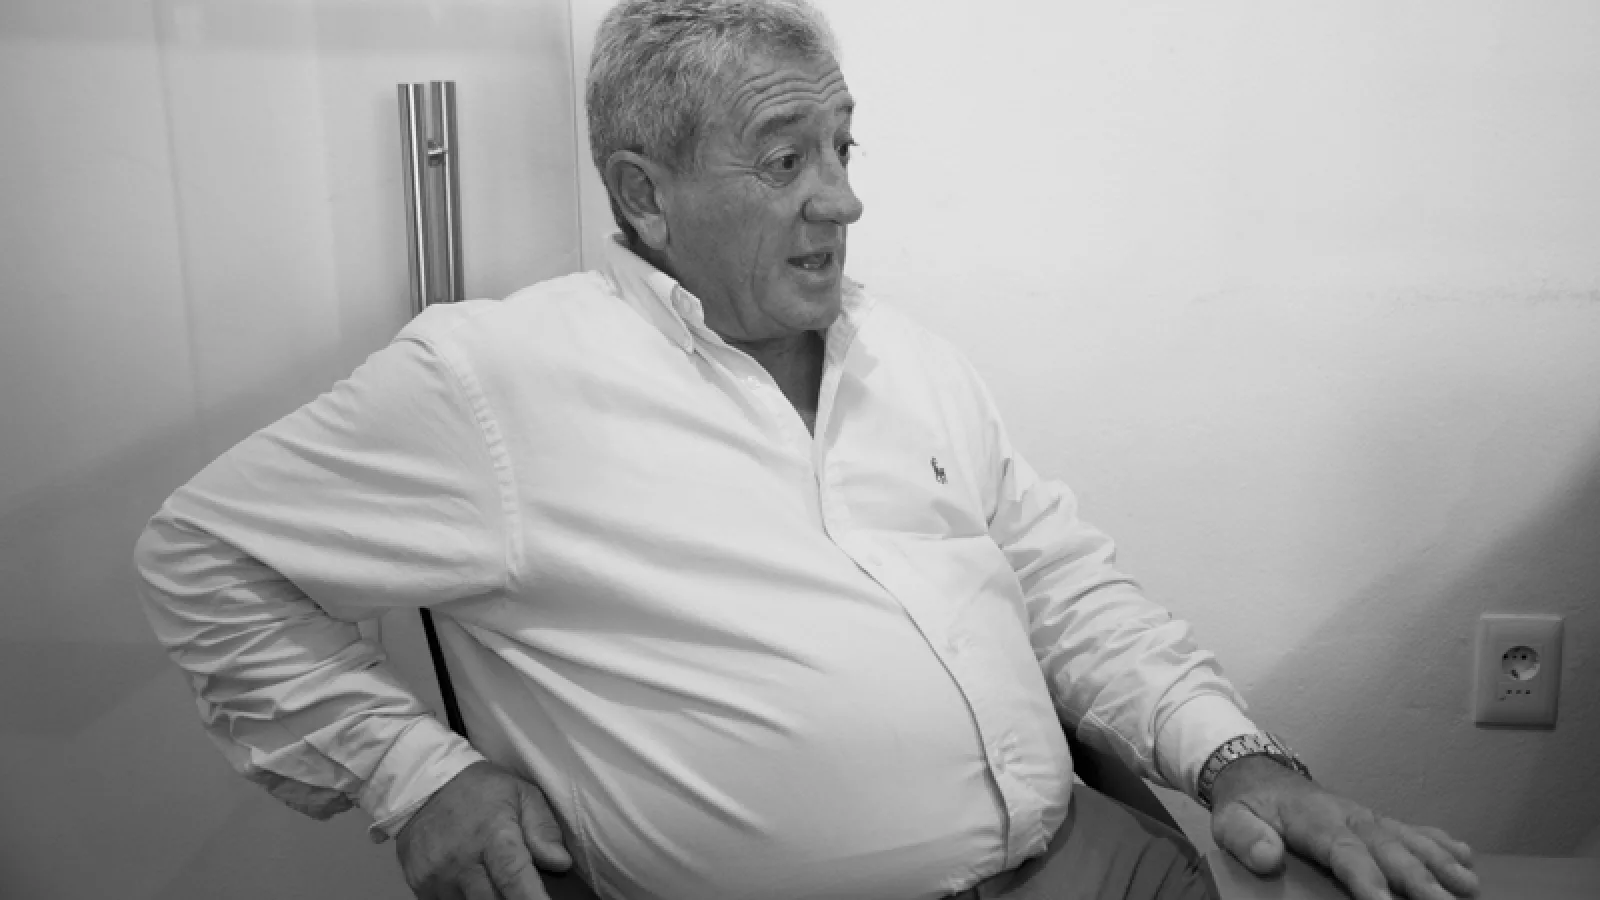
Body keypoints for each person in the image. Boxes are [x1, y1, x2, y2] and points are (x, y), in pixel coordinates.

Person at [134, 2, 1481, 899]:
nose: (843, 197)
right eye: (785, 161)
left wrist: (1240, 761)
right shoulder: (497, 382)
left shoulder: (908, 356)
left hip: (1089, 858)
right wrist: (414, 773)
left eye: (842, 146)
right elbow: (201, 554)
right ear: (645, 196)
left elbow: (1062, 587)